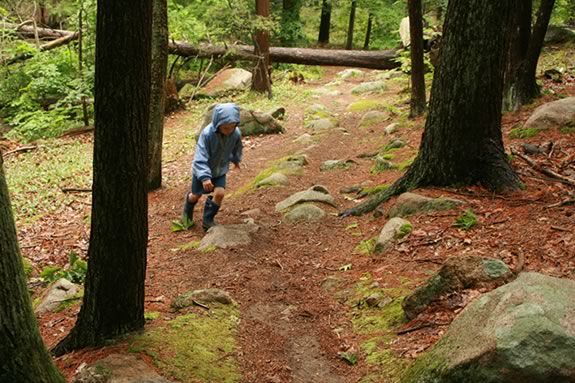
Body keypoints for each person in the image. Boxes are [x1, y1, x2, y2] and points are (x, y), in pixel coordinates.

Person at [182, 103, 242, 231]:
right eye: (225, 128)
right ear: (217, 124)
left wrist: (236, 159)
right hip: (202, 171)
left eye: (231, 127)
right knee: (195, 195)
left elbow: (236, 147)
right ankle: (187, 212)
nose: (228, 131)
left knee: (220, 193)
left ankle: (208, 220)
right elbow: (200, 156)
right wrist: (204, 177)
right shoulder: (207, 134)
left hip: (220, 171)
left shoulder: (235, 133)